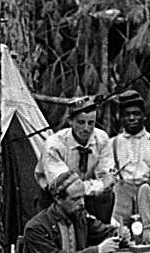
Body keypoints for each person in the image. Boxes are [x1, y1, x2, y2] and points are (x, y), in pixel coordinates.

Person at [34, 96, 115, 224]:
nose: (86, 128)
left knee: (106, 196)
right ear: (70, 121)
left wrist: (101, 185)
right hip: (56, 197)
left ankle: (102, 235)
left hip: (88, 197)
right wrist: (98, 185)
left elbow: (107, 179)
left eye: (91, 123)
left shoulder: (102, 139)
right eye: (81, 122)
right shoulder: (54, 144)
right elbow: (64, 186)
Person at [109, 89, 150, 224]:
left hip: (149, 196)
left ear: (144, 116)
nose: (131, 118)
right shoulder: (111, 144)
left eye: (136, 114)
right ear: (120, 117)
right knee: (120, 234)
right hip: (121, 200)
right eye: (127, 115)